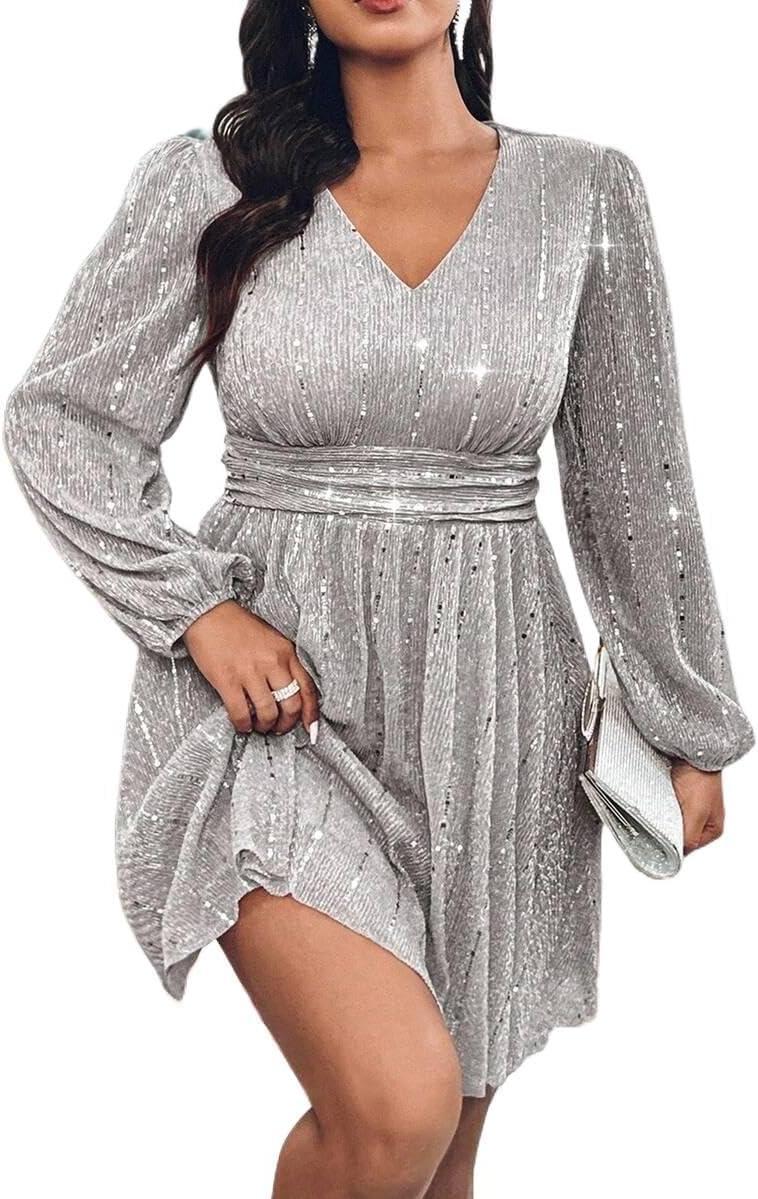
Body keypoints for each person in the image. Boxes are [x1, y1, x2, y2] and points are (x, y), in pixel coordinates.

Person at [3, 2, 754, 1196]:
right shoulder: (213, 182)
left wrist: (685, 717)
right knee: (393, 1109)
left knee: (436, 1161)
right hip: (267, 704)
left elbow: (634, 479)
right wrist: (196, 610)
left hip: (493, 707)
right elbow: (63, 421)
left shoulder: (583, 194)